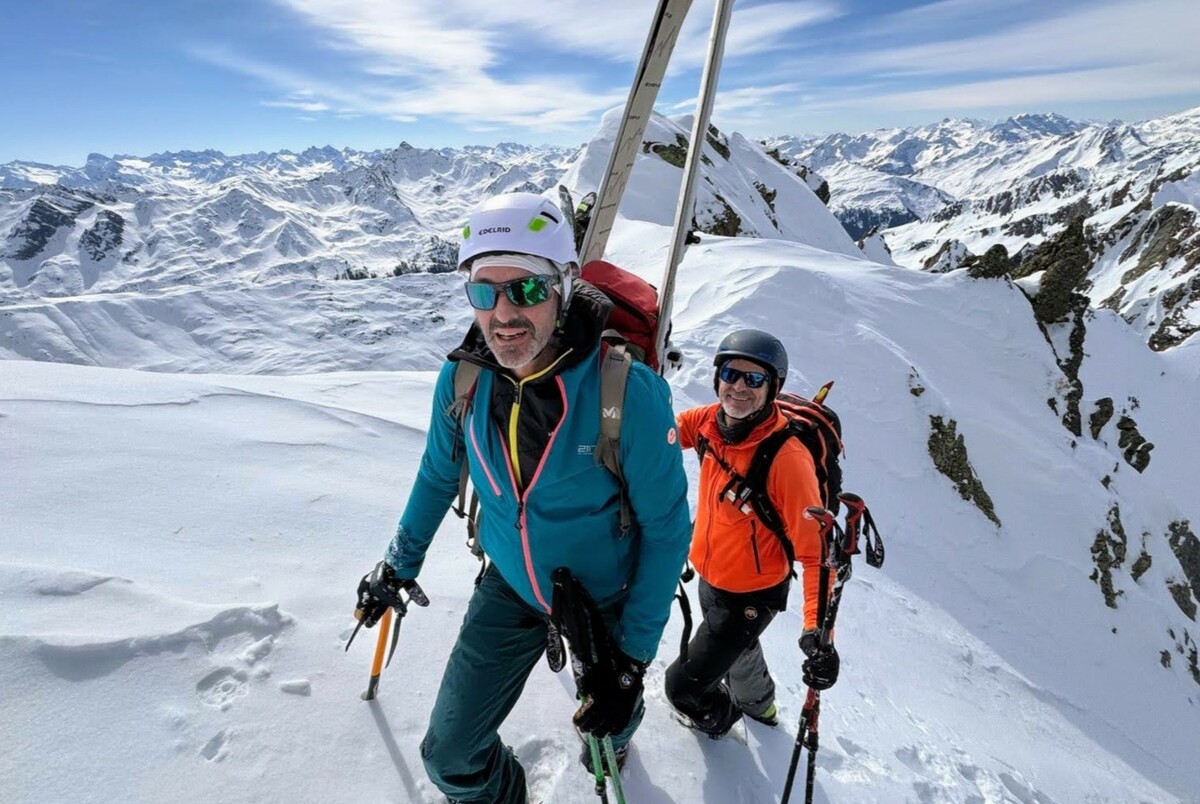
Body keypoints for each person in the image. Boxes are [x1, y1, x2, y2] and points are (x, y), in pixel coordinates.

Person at [353, 192, 692, 803]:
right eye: (485, 292)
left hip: (605, 602)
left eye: (528, 290)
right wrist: (397, 565)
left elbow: (668, 530)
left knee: (608, 719)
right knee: (450, 756)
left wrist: (631, 661)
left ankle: (617, 736)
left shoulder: (628, 394)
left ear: (562, 288)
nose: (504, 313)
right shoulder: (462, 379)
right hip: (510, 584)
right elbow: (437, 476)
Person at [664, 329, 841, 737]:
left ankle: (723, 721)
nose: (739, 387)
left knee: (682, 688)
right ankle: (762, 707)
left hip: (752, 594)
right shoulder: (709, 421)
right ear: (717, 378)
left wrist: (818, 632)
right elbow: (665, 438)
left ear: (772, 387)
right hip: (711, 574)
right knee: (740, 651)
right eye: (731, 373)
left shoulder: (788, 459)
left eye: (754, 379)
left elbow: (817, 554)